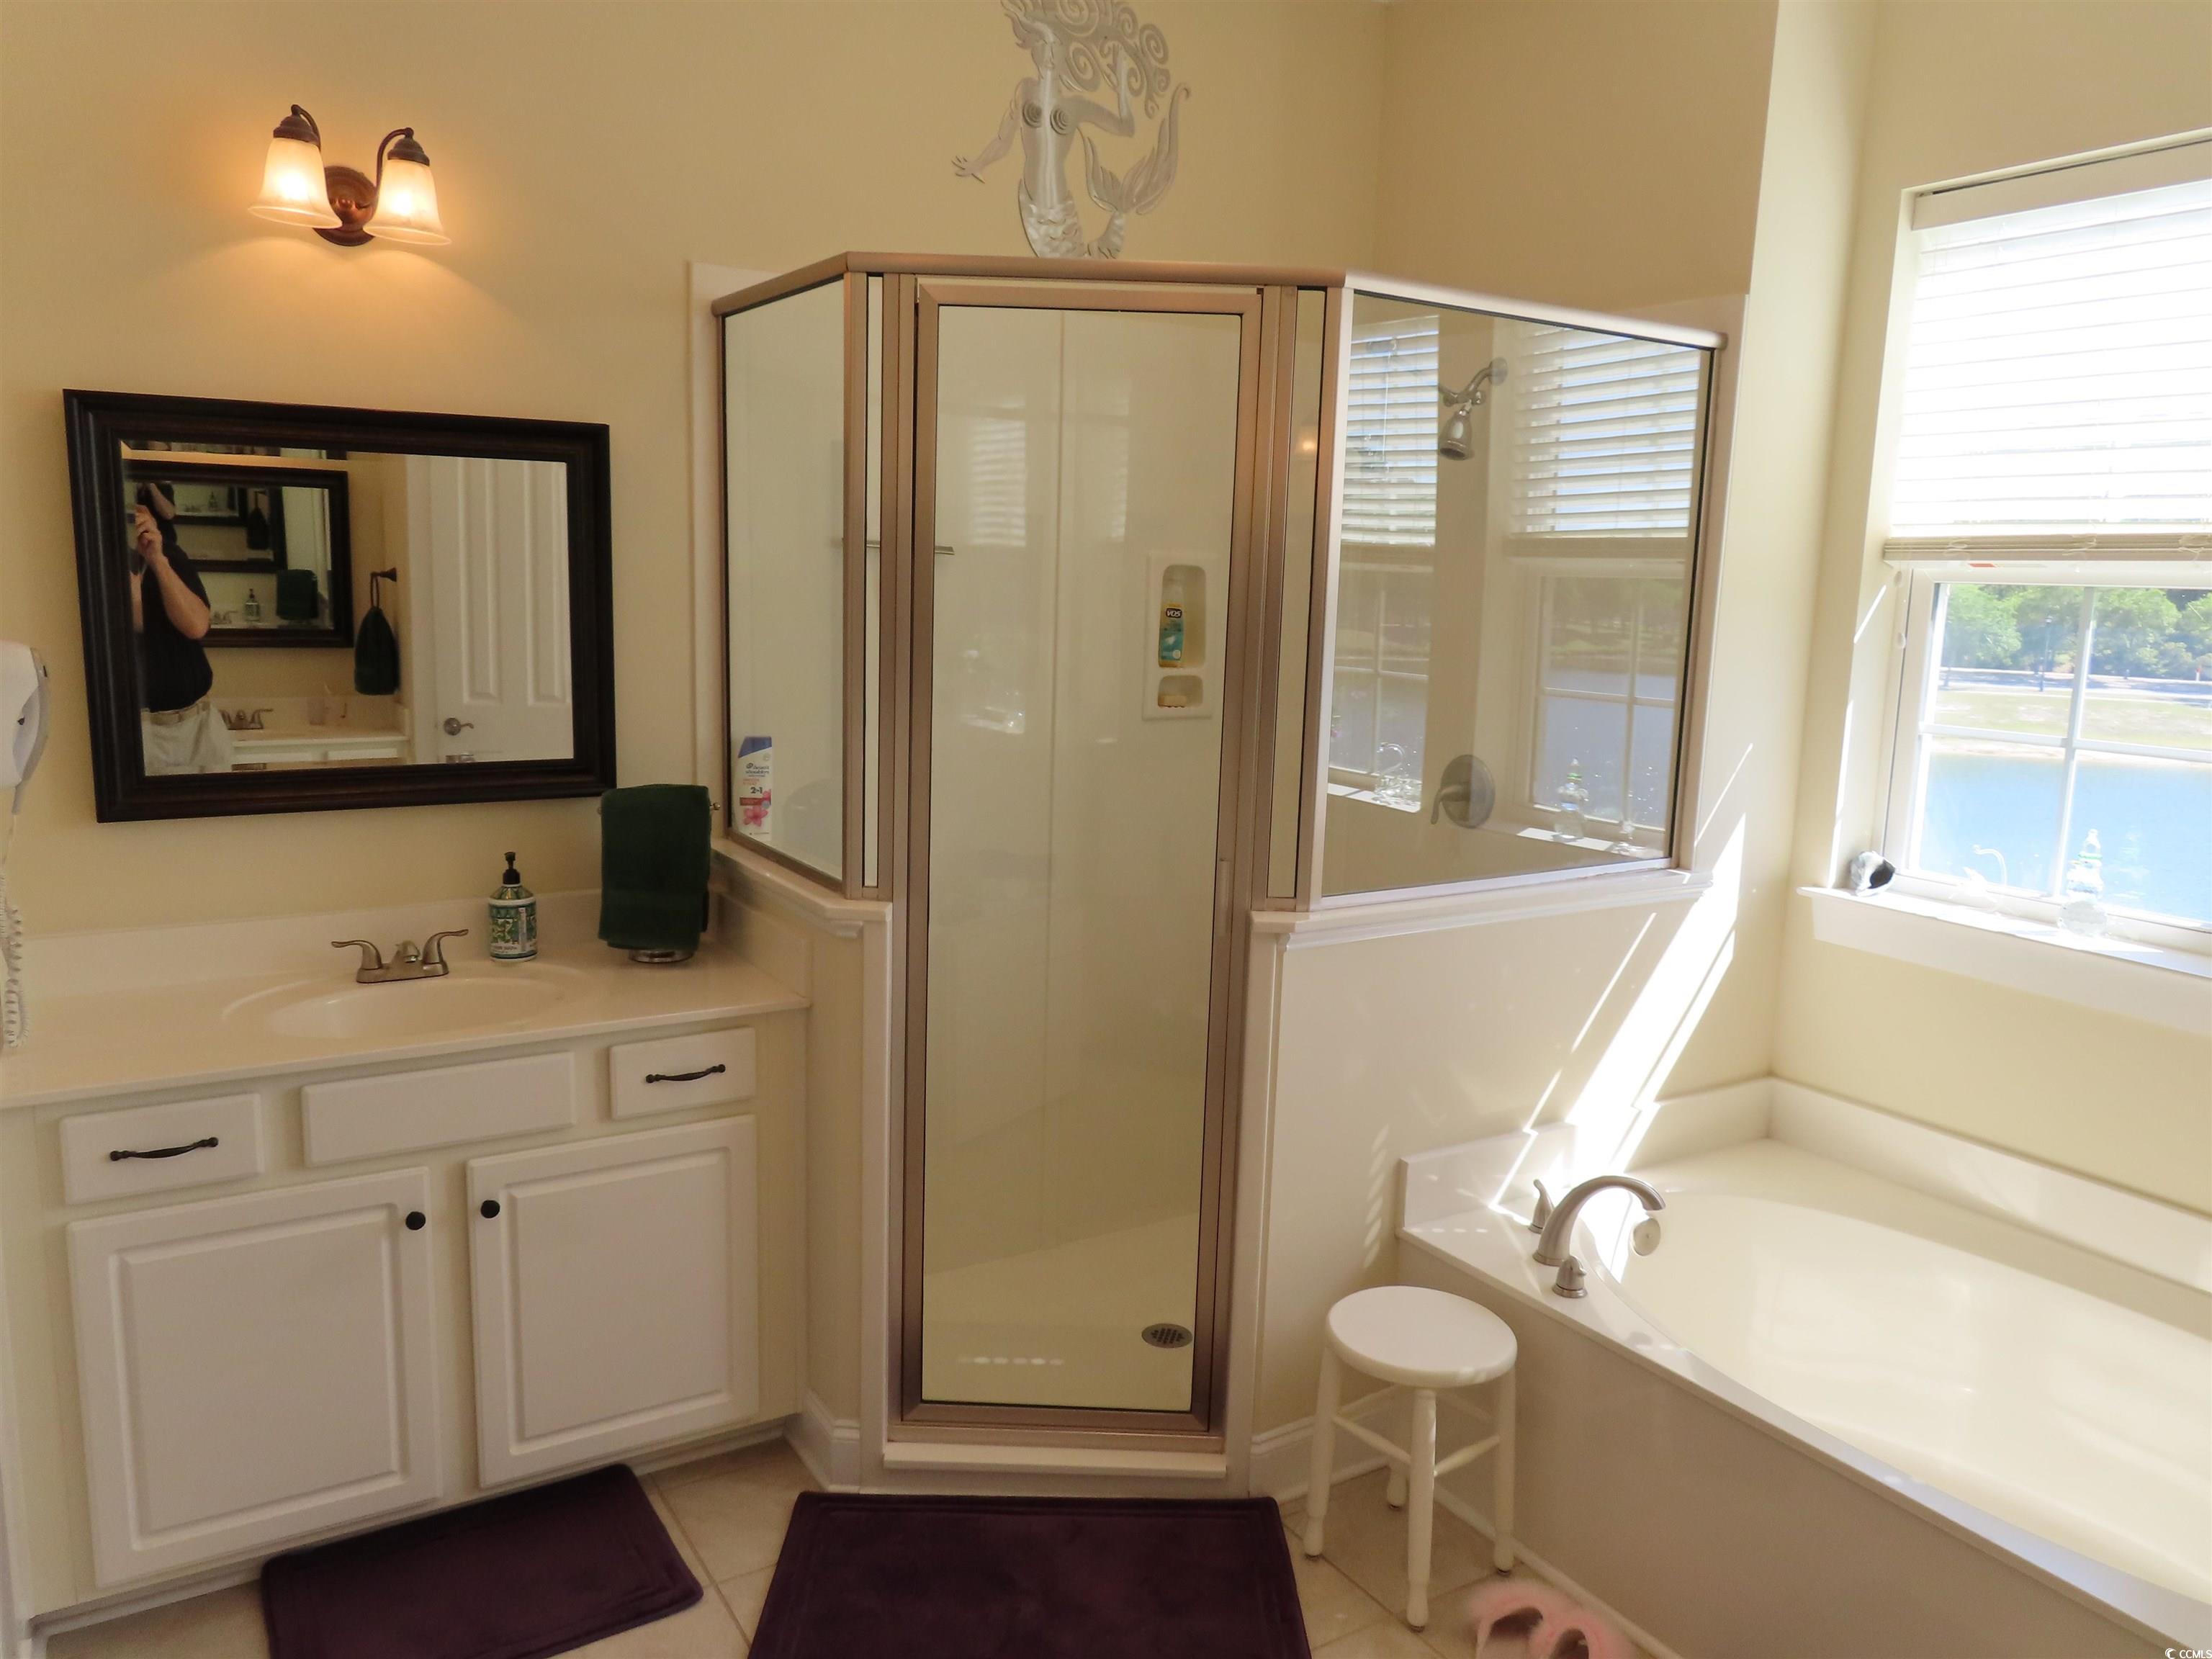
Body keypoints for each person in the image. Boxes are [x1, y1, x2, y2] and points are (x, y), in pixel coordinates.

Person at [130, 483, 231, 774]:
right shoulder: (100, 563)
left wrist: (158, 560)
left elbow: (197, 626)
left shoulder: (171, 558)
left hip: (198, 724)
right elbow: (136, 618)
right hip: (140, 729)